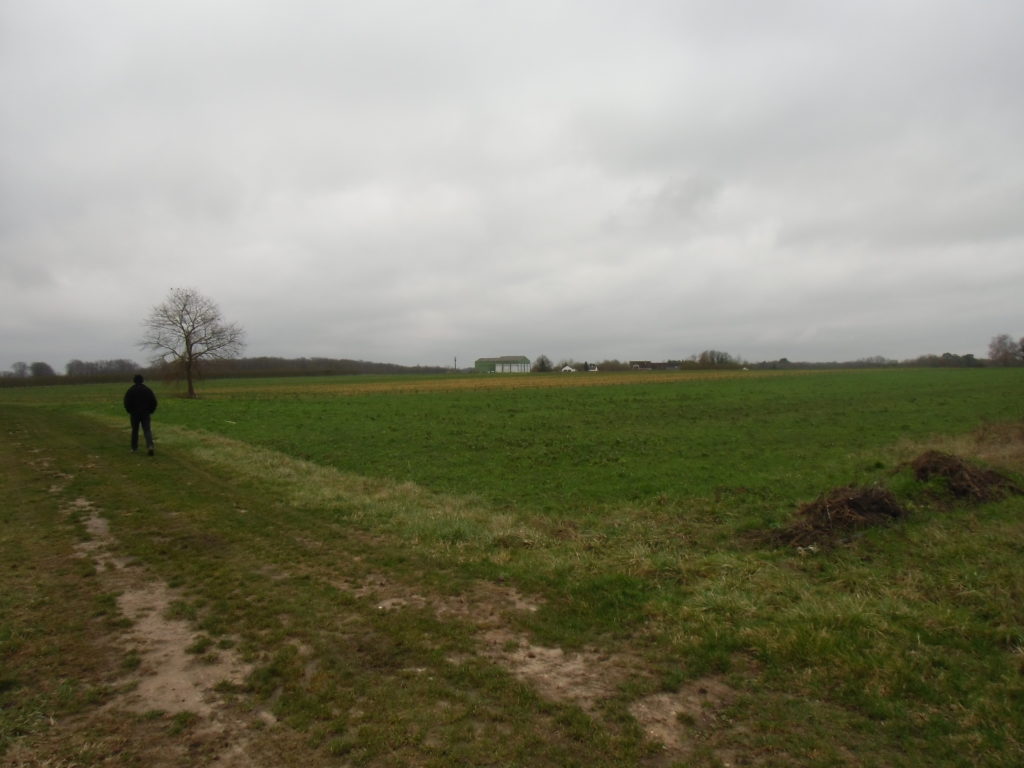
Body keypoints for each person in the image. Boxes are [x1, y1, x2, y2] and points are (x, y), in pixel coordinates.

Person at [123, 374, 158, 455]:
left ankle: (134, 448)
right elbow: (154, 402)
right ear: (142, 380)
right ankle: (150, 446)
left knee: (135, 431)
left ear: (134, 381)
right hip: (145, 413)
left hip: (134, 414)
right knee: (147, 430)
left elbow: (126, 402)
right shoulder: (147, 390)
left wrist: (129, 410)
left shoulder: (131, 390)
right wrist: (151, 410)